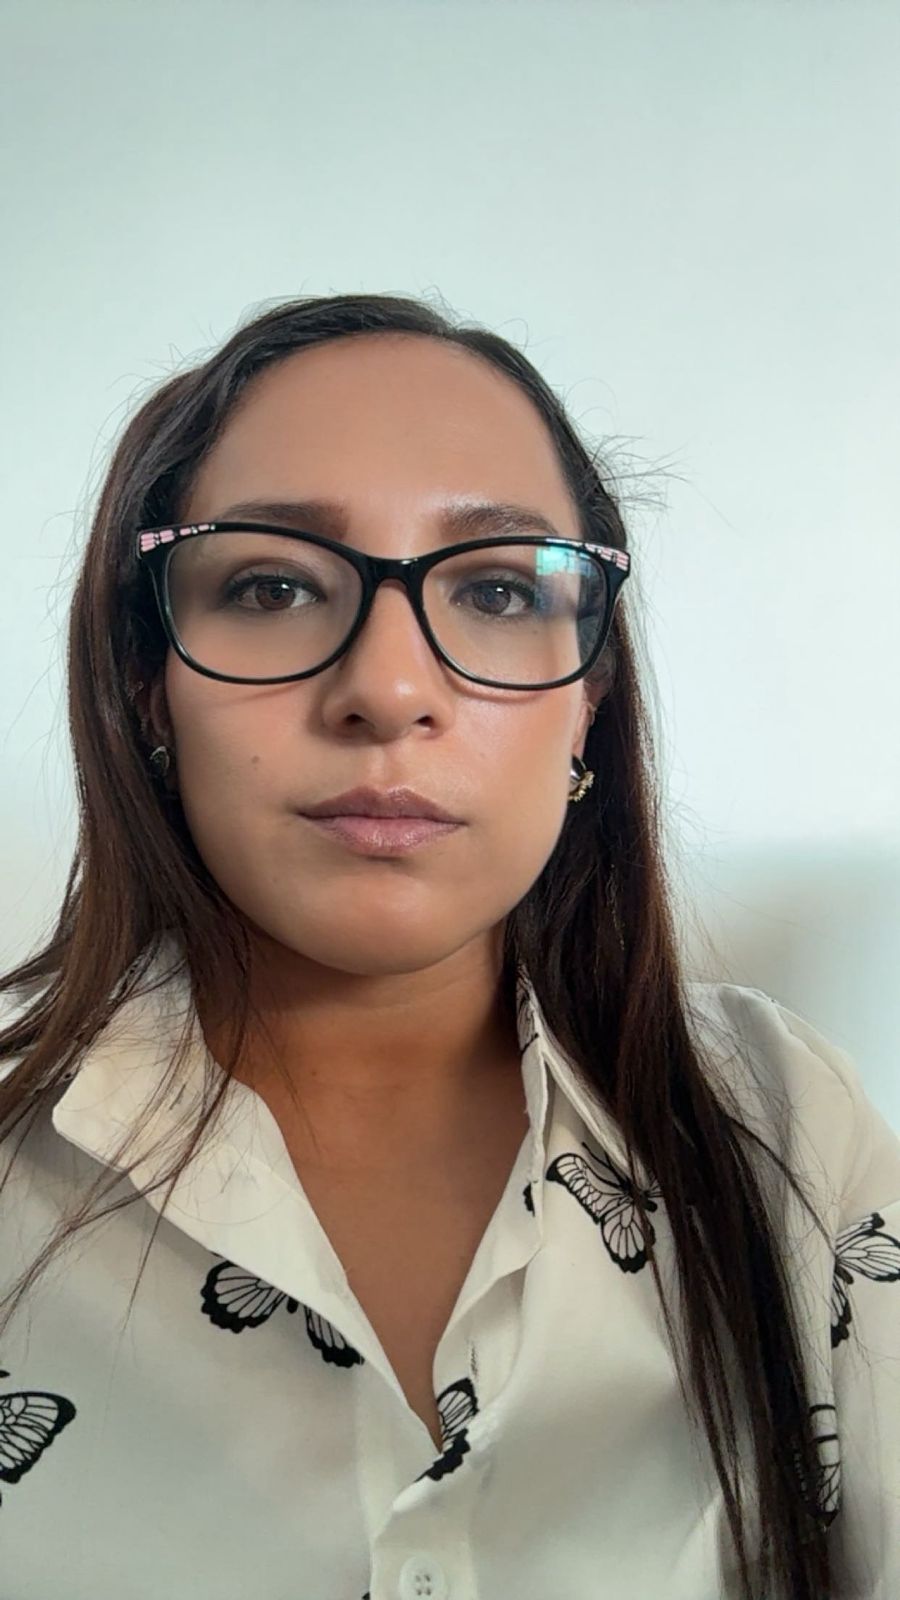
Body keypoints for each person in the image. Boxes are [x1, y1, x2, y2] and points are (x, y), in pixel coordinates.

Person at [0, 292, 897, 1600]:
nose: (389, 689)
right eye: (271, 586)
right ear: (150, 682)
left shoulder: (785, 1128)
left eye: (494, 589)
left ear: (588, 700)